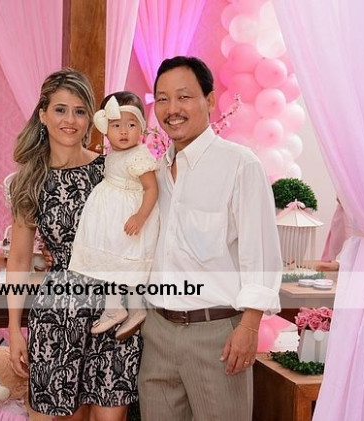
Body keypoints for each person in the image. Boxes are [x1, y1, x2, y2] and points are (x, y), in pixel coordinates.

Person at [138, 56, 283, 421]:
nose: (172, 109)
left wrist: (249, 327)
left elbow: (260, 254)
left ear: (210, 100)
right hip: (157, 332)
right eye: (163, 99)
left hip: (216, 333)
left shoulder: (239, 165)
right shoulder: (154, 173)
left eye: (184, 96)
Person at [6, 68, 141, 421]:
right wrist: (14, 330)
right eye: (60, 109)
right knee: (63, 415)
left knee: (110, 416)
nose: (70, 120)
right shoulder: (29, 180)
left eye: (80, 111)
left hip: (115, 309)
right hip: (58, 313)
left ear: (91, 119)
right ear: (43, 115)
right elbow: (18, 259)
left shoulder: (111, 170)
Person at [69, 91, 159, 340]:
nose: (124, 131)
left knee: (123, 261)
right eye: (116, 125)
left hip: (129, 216)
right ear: (106, 128)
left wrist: (140, 216)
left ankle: (125, 308)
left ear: (141, 128)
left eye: (131, 125)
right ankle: (121, 308)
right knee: (113, 261)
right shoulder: (114, 153)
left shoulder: (139, 155)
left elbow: (152, 188)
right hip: (111, 216)